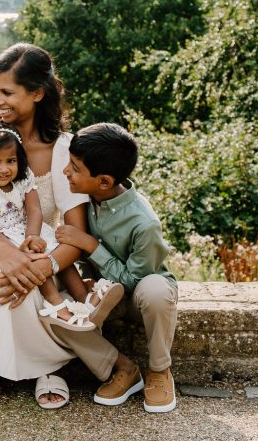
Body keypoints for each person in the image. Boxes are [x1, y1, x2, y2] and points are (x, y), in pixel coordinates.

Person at [0, 43, 139, 409]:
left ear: (37, 93)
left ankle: (48, 365)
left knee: (36, 278)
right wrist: (5, 255)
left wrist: (40, 264)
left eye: (7, 92)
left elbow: (75, 233)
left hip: (40, 243)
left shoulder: (64, 149)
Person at [56, 122, 178, 413]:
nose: (65, 172)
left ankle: (159, 370)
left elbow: (135, 281)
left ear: (104, 182)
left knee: (155, 290)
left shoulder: (143, 223)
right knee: (51, 306)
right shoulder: (82, 198)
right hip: (98, 293)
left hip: (137, 298)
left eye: (74, 167)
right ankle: (122, 367)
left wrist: (90, 245)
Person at [0, 124, 123, 331]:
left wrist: (33, 236)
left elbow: (34, 210)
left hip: (30, 229)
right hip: (4, 240)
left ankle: (86, 299)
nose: (4, 169)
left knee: (54, 253)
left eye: (11, 161)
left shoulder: (24, 179)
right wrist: (16, 250)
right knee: (35, 259)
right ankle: (54, 303)